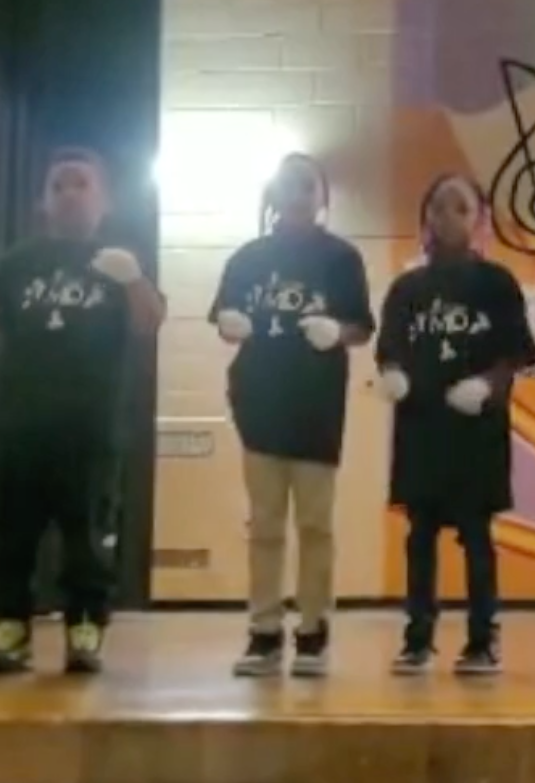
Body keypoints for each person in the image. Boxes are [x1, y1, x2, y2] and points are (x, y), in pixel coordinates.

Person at [0, 147, 165, 676]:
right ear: (43, 201)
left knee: (88, 537)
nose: (70, 194)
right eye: (59, 186)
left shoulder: (118, 261)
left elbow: (148, 323)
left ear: (104, 200)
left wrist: (132, 280)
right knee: (12, 534)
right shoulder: (18, 262)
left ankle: (85, 631)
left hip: (90, 426)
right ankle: (11, 631)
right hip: (18, 423)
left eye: (81, 185)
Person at [212, 153, 374, 679]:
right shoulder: (248, 258)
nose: (298, 194)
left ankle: (313, 631)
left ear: (322, 196)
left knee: (315, 524)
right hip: (259, 402)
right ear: (273, 194)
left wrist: (338, 332)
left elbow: (361, 327)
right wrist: (230, 324)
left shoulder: (342, 259)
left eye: (307, 186)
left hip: (316, 407)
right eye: (288, 185)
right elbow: (225, 315)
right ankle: (262, 632)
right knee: (264, 525)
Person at [376, 175, 535, 676]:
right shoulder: (407, 287)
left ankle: (482, 638)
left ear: (480, 219)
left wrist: (488, 385)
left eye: (461, 208)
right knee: (419, 536)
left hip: (476, 433)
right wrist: (393, 375)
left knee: (476, 535)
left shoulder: (497, 283)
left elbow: (517, 354)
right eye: (439, 208)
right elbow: (389, 350)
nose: (449, 218)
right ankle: (418, 637)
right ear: (426, 218)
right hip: (422, 429)